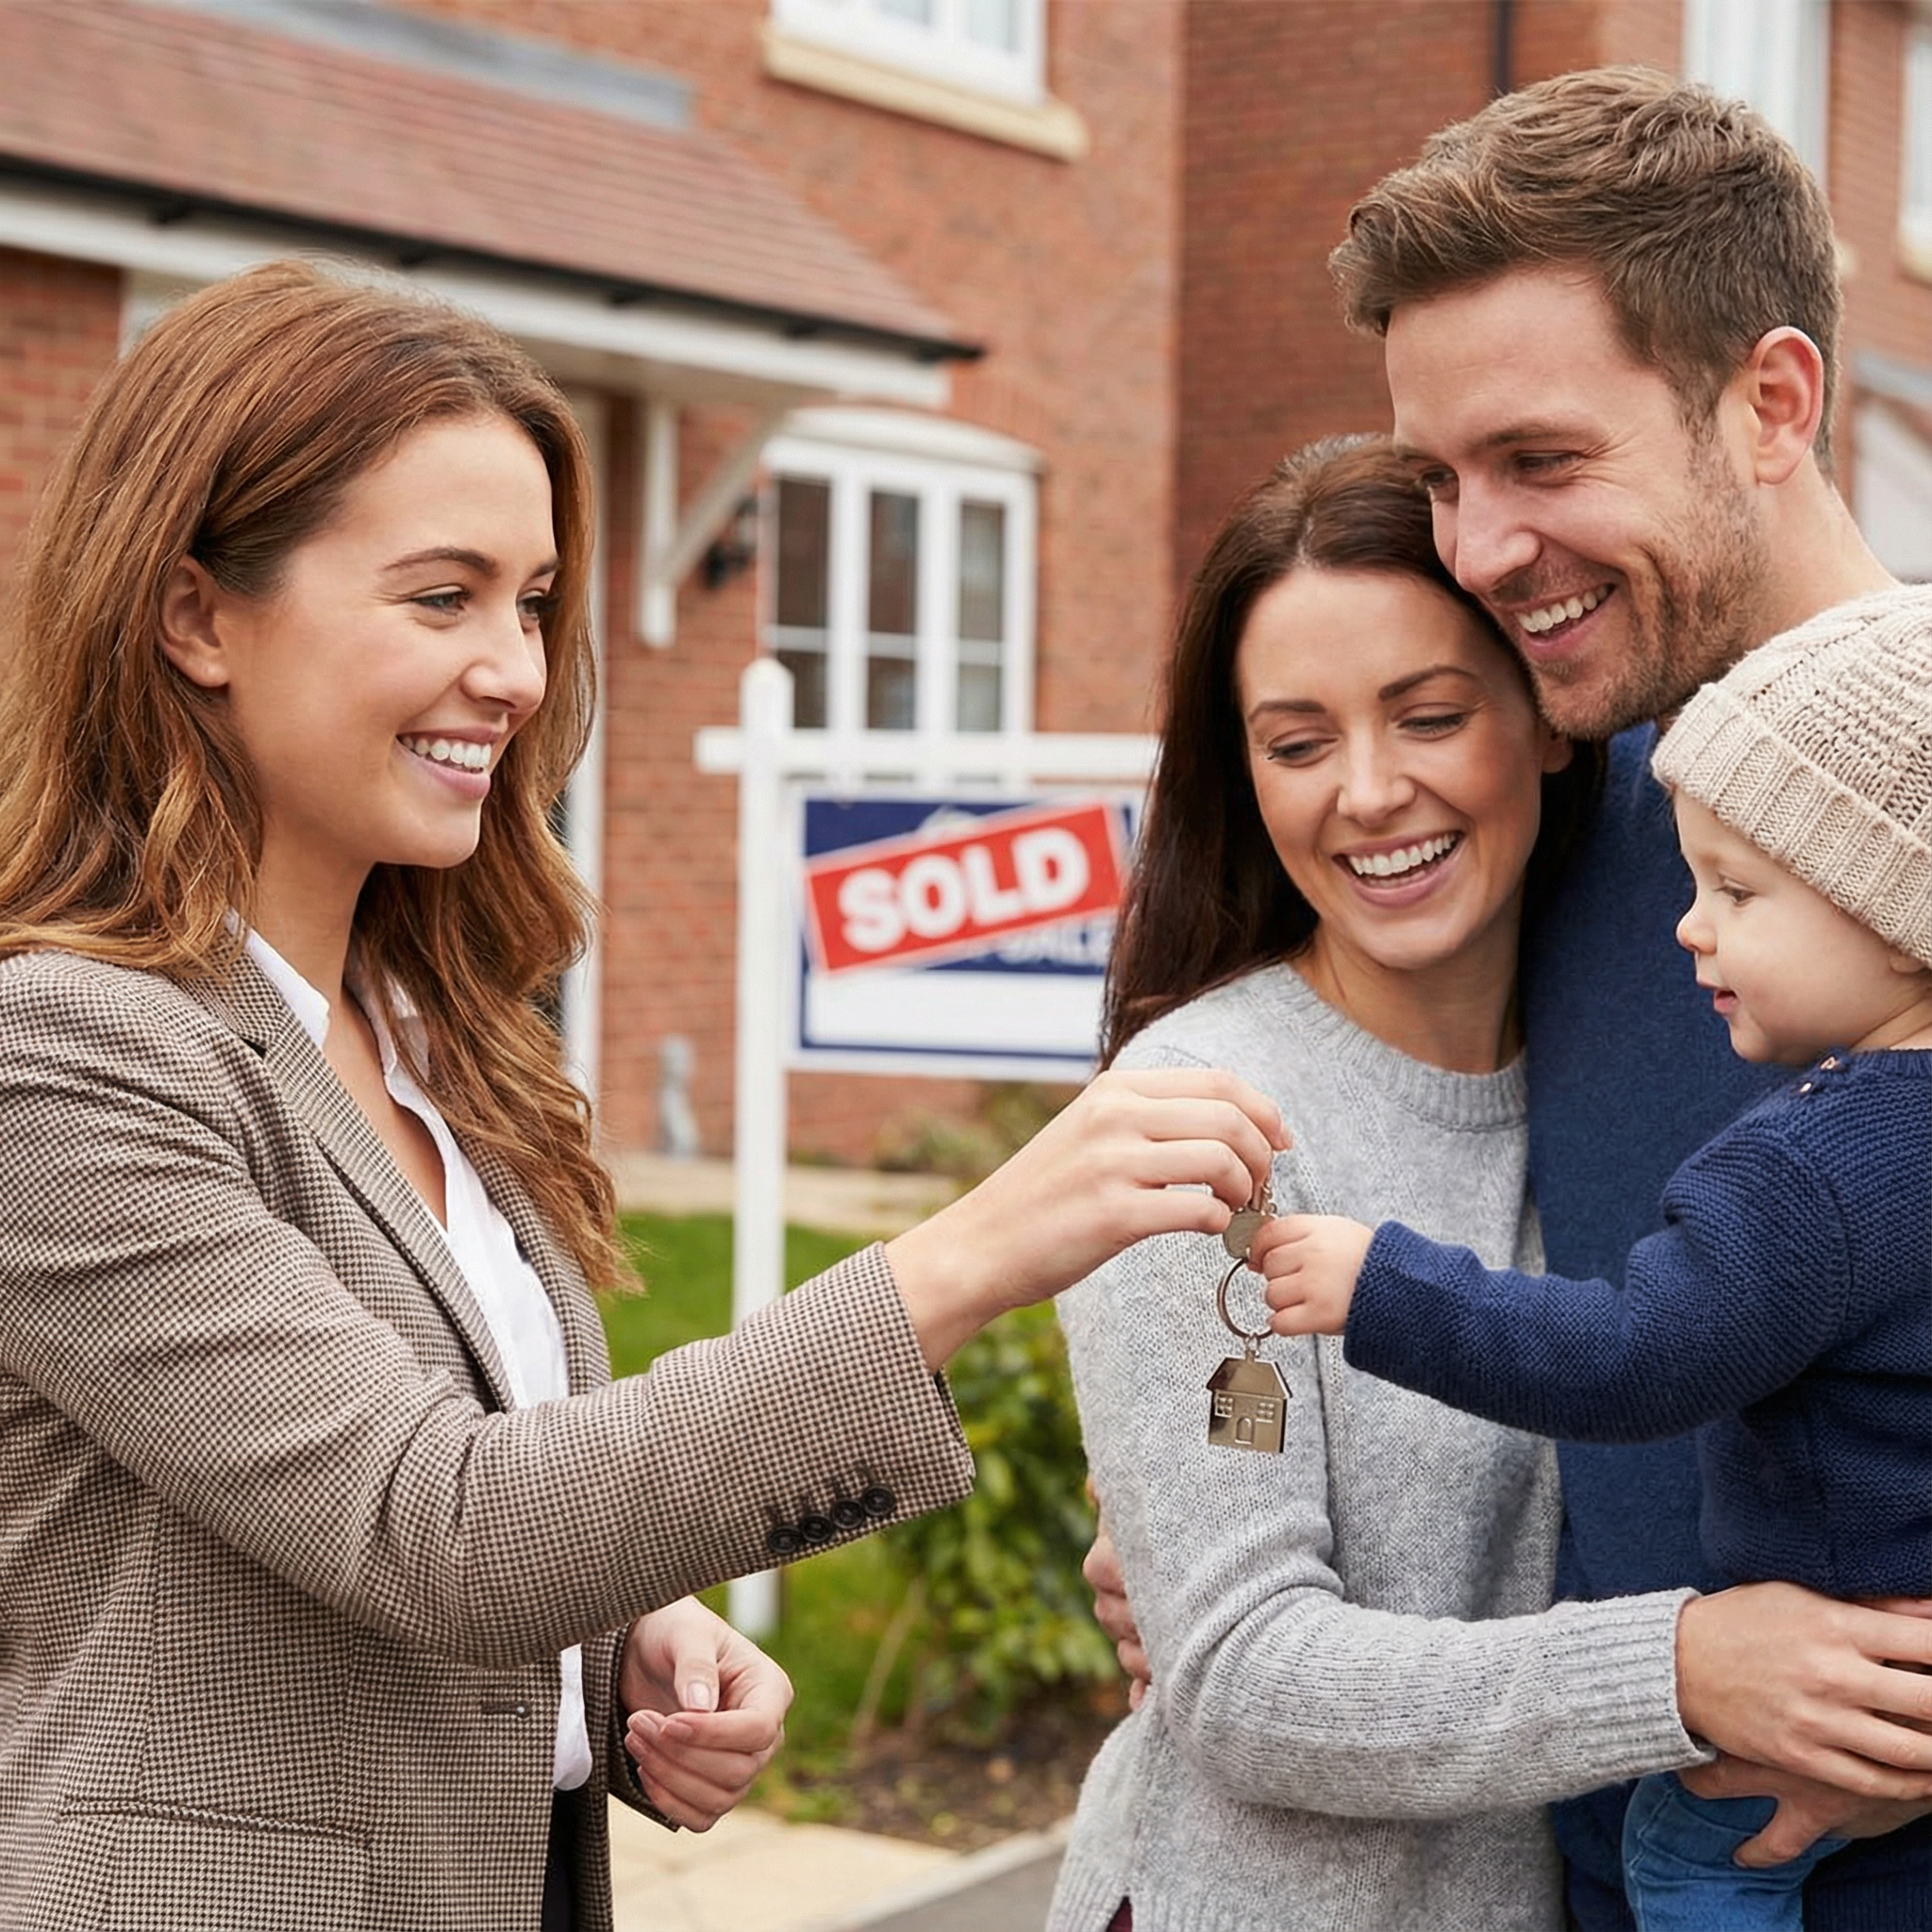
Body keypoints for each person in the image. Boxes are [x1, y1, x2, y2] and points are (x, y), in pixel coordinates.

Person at [0, 259, 1289, 1932]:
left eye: (532, 603)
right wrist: (974, 1249)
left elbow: (446, 1518)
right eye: (442, 596)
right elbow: (430, 1530)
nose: (519, 672)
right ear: (195, 618)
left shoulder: (435, 1041)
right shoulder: (69, 1058)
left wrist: (605, 1663)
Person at [1088, 68, 1932, 1932]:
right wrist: (1215, 1480)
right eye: (1444, 478)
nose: (1476, 549)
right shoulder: (1553, 808)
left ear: (1771, 402)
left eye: (1541, 464)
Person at [1045, 432, 1716, 1932]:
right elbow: (1240, 1674)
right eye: (1296, 743)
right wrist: (1688, 1671)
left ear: (1543, 721)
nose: (1367, 792)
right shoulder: (1199, 1123)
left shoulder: (1641, 1048)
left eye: (1427, 715)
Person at [1263, 585, 1932, 1931]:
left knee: (1688, 1859)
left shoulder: (1809, 1168)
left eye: (1739, 890)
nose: (1692, 925)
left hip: (1823, 1697)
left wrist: (1381, 1286)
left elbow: (1630, 1357)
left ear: (1889, 906)